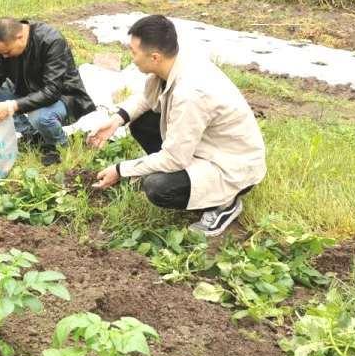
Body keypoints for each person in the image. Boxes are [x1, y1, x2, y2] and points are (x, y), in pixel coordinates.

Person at [87, 14, 266, 237]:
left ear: (154, 57)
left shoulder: (190, 93)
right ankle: (188, 181)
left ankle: (224, 204)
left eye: (134, 52)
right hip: (205, 146)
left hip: (230, 165)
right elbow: (147, 97)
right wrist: (117, 120)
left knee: (157, 187)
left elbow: (174, 158)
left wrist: (121, 170)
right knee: (141, 123)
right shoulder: (173, 62)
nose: (131, 58)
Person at [0, 18, 95, 166]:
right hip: (30, 92)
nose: (5, 57)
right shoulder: (9, 47)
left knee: (40, 117)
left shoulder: (51, 40)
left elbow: (52, 91)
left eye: (7, 52)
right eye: (2, 54)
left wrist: (12, 106)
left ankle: (59, 145)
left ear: (20, 37)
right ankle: (34, 135)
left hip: (64, 98)